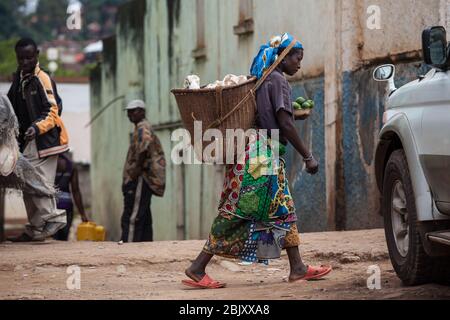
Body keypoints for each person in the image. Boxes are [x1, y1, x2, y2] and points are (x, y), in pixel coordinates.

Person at [182, 33, 332, 289]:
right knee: (238, 211)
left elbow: (272, 116)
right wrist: (308, 156)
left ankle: (297, 268)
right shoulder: (278, 81)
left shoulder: (263, 79)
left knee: (282, 208)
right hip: (260, 157)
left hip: (257, 152)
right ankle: (197, 267)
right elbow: (283, 122)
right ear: (283, 56)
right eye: (297, 57)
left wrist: (292, 116)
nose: (299, 63)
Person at [7, 38, 68, 242]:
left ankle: (54, 217)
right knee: (26, 182)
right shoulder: (19, 79)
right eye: (21, 58)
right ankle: (35, 228)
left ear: (37, 55)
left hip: (46, 141)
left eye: (29, 57)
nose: (25, 61)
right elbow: (10, 108)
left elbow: (53, 110)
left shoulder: (42, 78)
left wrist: (36, 127)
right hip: (28, 141)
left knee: (36, 181)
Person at [121, 100, 166, 242]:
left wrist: (136, 170)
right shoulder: (140, 127)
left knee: (133, 216)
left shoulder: (142, 127)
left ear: (142, 111)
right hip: (143, 177)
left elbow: (143, 149)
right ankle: (145, 247)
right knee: (144, 215)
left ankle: (129, 246)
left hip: (142, 177)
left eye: (133, 111)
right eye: (128, 111)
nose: (130, 114)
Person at [53, 153, 89, 241]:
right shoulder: (71, 166)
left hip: (51, 206)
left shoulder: (47, 164)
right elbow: (76, 191)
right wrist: (82, 214)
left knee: (54, 238)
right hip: (66, 207)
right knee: (63, 238)